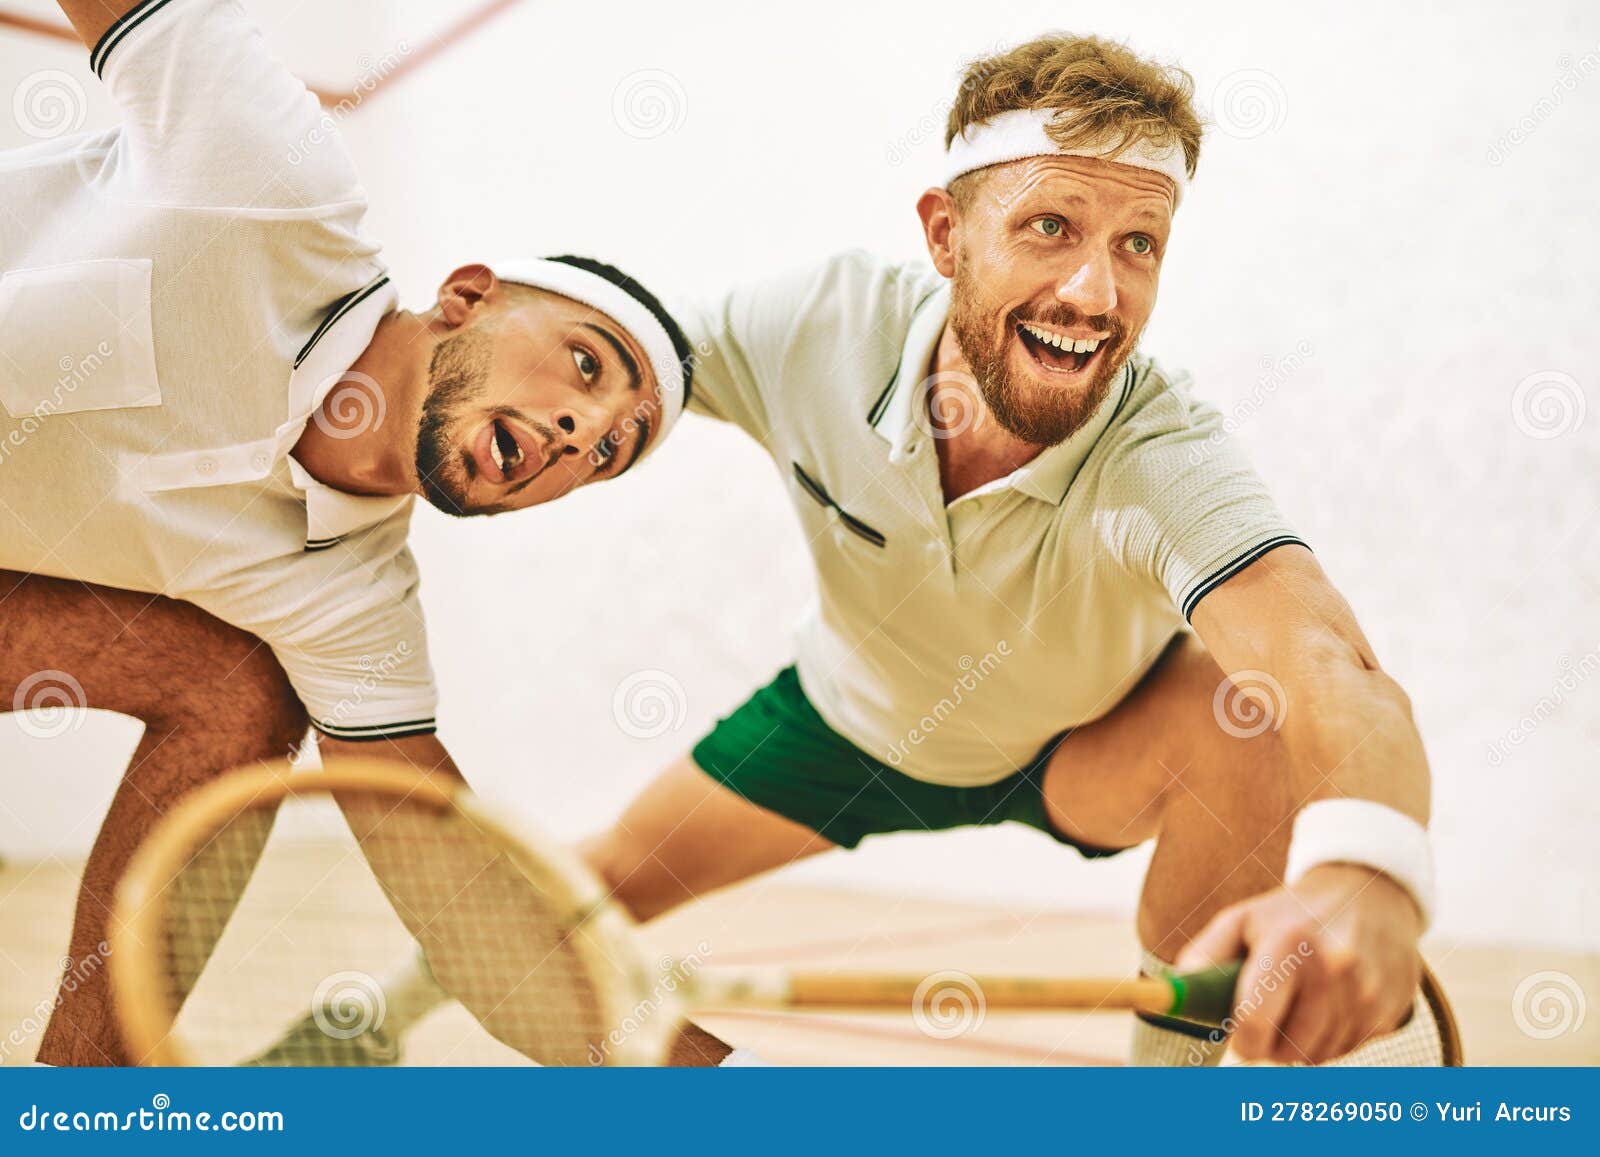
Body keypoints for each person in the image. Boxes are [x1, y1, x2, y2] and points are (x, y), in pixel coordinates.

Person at [0, 0, 691, 1065]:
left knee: (240, 684)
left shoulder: (352, 598)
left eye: (609, 450)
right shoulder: (271, 182)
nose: (581, 429)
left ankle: (68, 1103)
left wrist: (705, 1083)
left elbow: (468, 908)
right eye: (588, 365)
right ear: (467, 295)